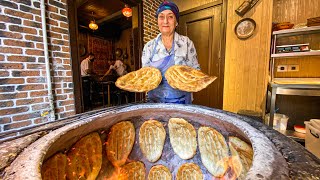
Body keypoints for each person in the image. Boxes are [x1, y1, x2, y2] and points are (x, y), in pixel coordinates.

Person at [141, 1, 200, 104]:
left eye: (170, 17)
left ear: (176, 22)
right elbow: (145, 77)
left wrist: (185, 81)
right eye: (161, 17)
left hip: (181, 102)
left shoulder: (186, 43)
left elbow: (196, 73)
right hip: (155, 103)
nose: (165, 21)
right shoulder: (149, 47)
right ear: (157, 21)